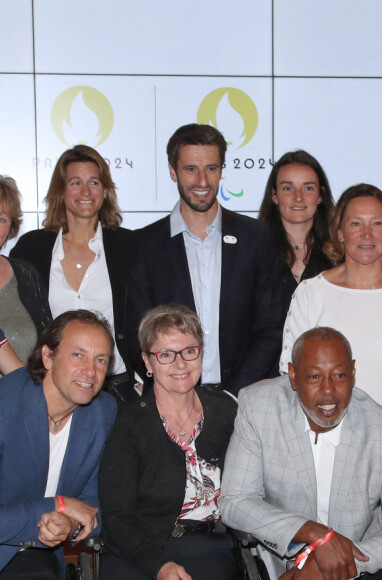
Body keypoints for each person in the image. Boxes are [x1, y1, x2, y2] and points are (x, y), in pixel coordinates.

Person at [221, 327, 382, 579]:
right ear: (293, 376)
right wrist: (315, 533)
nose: (328, 390)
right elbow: (235, 500)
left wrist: (334, 566)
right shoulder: (259, 408)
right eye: (313, 377)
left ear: (353, 374)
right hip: (285, 562)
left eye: (339, 375)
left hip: (360, 557)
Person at [279, 184, 382, 477]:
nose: (367, 234)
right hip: (326, 455)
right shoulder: (311, 294)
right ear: (340, 233)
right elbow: (291, 377)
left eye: (376, 223)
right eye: (356, 224)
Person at [126, 123, 284, 396]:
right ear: (173, 171)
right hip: (173, 404)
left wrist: (233, 396)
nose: (202, 181)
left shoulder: (257, 238)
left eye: (211, 168)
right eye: (191, 169)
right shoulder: (143, 245)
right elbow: (139, 334)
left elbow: (271, 329)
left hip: (244, 401)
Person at [99, 304, 238, 580]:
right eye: (165, 355)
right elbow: (117, 517)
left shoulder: (226, 412)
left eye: (189, 351)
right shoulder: (130, 424)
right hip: (137, 549)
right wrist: (159, 566)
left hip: (206, 547)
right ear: (147, 362)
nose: (180, 364)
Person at [10, 146, 135, 406]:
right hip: (50, 389)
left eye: (94, 182)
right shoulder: (31, 249)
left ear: (105, 190)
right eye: (76, 182)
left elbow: (145, 316)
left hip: (117, 389)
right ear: (61, 190)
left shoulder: (129, 247)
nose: (86, 191)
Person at [0, 310, 117, 578]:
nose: (90, 371)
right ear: (48, 356)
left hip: (35, 556)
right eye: (78, 355)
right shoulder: (6, 405)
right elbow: (65, 503)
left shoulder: (101, 411)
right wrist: (57, 505)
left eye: (101, 360)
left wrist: (69, 525)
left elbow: (91, 506)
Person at [258, 150, 334, 312]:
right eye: (288, 188)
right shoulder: (254, 249)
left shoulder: (340, 251)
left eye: (308, 188)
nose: (298, 197)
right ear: (274, 195)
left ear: (321, 195)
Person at [0, 176, 51, 368]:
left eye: (1, 219)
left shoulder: (26, 274)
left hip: (23, 396)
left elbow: (48, 348)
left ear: (11, 227)